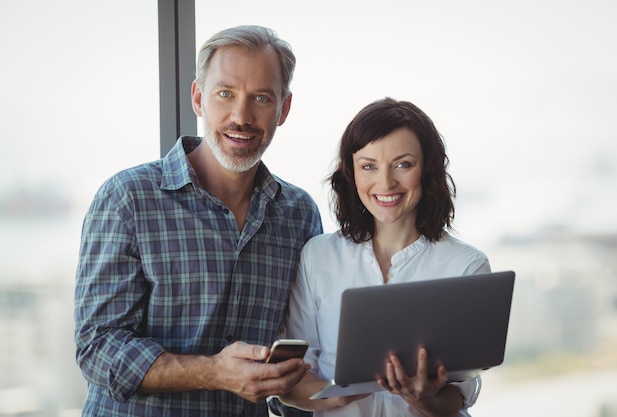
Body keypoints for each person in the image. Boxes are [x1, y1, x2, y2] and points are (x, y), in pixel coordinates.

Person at [74, 25, 322, 417]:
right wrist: (214, 373)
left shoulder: (299, 214)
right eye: (226, 94)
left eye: (260, 97)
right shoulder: (128, 198)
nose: (241, 116)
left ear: (283, 109)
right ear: (198, 98)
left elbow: (303, 347)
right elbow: (97, 348)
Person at [278, 98, 491, 416]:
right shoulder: (318, 257)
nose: (386, 182)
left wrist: (422, 398)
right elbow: (292, 381)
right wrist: (336, 395)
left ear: (428, 169)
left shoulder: (466, 267)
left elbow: (460, 394)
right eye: (368, 166)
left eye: (403, 164)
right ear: (351, 173)